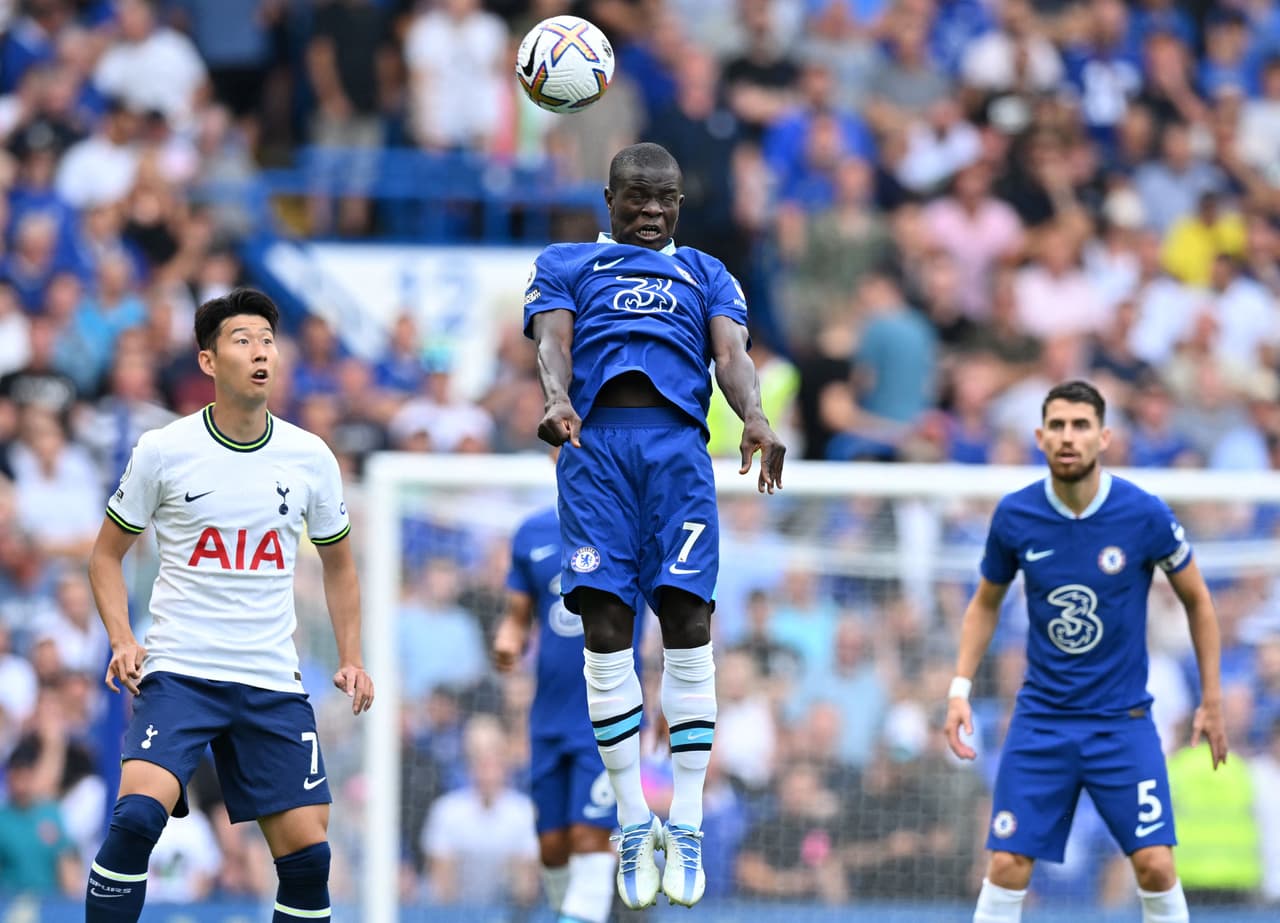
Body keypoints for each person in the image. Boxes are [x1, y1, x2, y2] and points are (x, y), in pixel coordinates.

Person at [524, 141, 786, 909]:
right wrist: (555, 395)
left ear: (680, 202)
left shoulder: (706, 272)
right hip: (593, 447)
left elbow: (731, 353)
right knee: (606, 624)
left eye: (664, 198)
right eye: (635, 197)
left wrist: (758, 415)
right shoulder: (568, 261)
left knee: (686, 620)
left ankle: (690, 818)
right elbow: (552, 338)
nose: (650, 210)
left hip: (678, 455)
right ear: (608, 198)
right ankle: (636, 820)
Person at [84, 288, 375, 923]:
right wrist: (123, 639)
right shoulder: (164, 449)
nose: (260, 351)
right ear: (209, 361)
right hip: (181, 671)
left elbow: (342, 565)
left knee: (309, 858)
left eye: (268, 340)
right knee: (136, 816)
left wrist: (352, 657)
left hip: (270, 679)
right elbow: (105, 556)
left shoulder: (310, 457)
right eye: (242, 340)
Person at [943, 379, 1229, 923]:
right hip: (1042, 721)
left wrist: (1211, 700)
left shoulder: (1142, 514)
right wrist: (960, 688)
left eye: (1080, 426)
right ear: (1039, 436)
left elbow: (1198, 601)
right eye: (1057, 426)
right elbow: (984, 604)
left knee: (1155, 866)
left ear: (1104, 438)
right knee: (1006, 865)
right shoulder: (1016, 516)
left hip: (1121, 724)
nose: (1068, 437)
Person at [492, 486, 641, 923]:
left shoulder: (634, 526)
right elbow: (517, 615)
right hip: (549, 717)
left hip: (609, 713)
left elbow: (668, 609)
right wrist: (509, 639)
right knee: (553, 845)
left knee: (590, 836)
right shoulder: (532, 532)